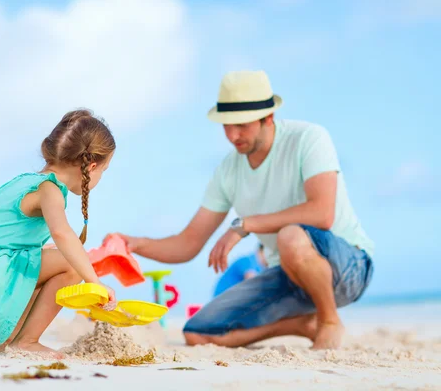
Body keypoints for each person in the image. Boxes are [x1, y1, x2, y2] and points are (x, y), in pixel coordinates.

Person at [106, 70, 374, 350]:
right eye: (226, 125)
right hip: (287, 275)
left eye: (242, 125)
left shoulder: (308, 138)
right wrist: (135, 244)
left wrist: (245, 225)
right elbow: (188, 243)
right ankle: (302, 325)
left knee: (290, 237)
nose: (232, 135)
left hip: (347, 267)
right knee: (198, 333)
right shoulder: (228, 171)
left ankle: (330, 322)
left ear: (267, 118)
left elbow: (322, 213)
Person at [0, 109, 117, 358]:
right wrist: (94, 281)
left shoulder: (29, 181)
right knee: (71, 265)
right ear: (91, 166)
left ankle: (8, 339)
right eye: (104, 170)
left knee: (51, 258)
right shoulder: (49, 189)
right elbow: (63, 234)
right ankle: (27, 341)